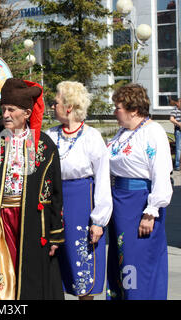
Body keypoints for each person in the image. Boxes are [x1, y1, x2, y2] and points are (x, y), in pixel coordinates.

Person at [0, 78, 64, 300]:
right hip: (0, 219)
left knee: (30, 277)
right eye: (3, 109)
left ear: (27, 113)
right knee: (1, 278)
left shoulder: (43, 144)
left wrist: (55, 233)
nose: (6, 114)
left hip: (31, 220)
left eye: (11, 109)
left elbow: (55, 191)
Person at [46, 81, 112, 299]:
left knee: (84, 268)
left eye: (55, 103)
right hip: (54, 205)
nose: (51, 106)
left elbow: (102, 179)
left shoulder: (91, 137)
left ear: (68, 107)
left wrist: (98, 221)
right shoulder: (49, 135)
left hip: (82, 205)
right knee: (56, 265)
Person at [106, 83, 173, 300]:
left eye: (118, 107)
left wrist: (150, 211)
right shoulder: (123, 132)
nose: (115, 112)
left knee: (137, 264)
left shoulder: (153, 132)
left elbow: (161, 173)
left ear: (133, 109)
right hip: (120, 206)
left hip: (139, 205)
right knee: (122, 261)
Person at [169, 96, 181, 170]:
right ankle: (177, 165)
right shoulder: (175, 110)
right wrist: (179, 124)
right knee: (178, 148)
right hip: (178, 131)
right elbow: (171, 119)